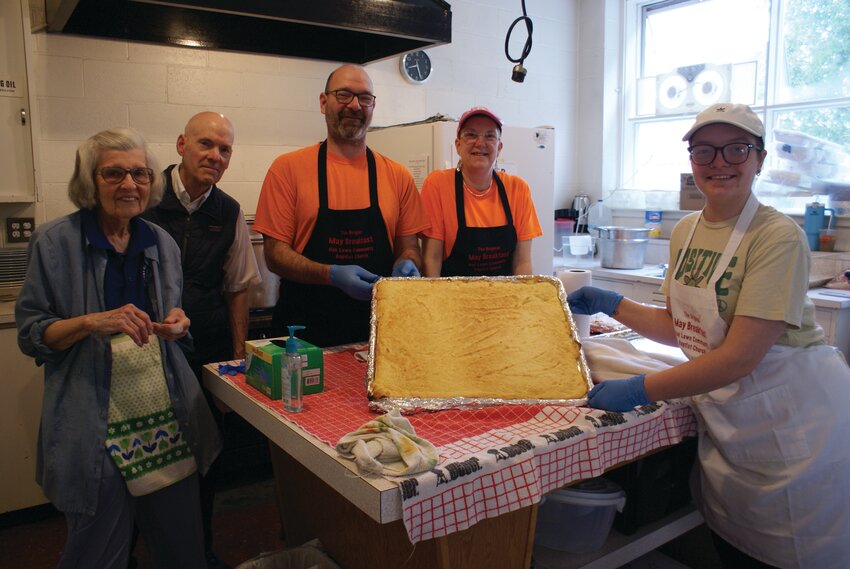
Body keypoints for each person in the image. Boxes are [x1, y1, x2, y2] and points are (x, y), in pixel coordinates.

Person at [568, 103, 850, 568]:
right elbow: (686, 330)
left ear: (758, 159)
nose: (719, 161)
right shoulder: (686, 231)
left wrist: (638, 390)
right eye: (704, 151)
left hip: (797, 426)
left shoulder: (776, 236)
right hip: (734, 430)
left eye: (736, 149)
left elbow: (738, 357)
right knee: (736, 546)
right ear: (692, 161)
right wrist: (614, 303)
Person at [15, 127, 221, 569]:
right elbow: (31, 334)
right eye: (113, 174)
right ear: (90, 180)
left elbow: (175, 322)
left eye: (139, 173)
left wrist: (178, 323)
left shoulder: (160, 243)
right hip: (95, 418)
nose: (130, 185)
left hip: (164, 414)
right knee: (97, 550)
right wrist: (93, 322)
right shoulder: (55, 243)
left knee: (181, 546)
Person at [141, 111, 259, 569]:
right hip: (146, 348)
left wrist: (236, 357)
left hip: (204, 349)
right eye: (205, 144)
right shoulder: (145, 196)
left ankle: (199, 552)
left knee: (204, 455)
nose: (215, 155)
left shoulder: (227, 211)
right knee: (142, 455)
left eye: (224, 149)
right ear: (180, 145)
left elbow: (237, 288)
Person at [254, 64, 429, 347]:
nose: (355, 106)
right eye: (344, 95)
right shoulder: (287, 169)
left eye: (364, 98)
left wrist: (408, 262)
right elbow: (274, 255)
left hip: (377, 339)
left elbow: (408, 245)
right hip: (304, 339)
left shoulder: (397, 176)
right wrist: (330, 275)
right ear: (324, 103)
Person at [420, 107, 542, 276]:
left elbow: (523, 262)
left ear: (499, 147)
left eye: (489, 135)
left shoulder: (518, 189)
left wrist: (523, 301)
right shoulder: (438, 184)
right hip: (452, 299)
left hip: (504, 298)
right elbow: (431, 259)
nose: (480, 143)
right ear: (458, 145)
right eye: (471, 134)